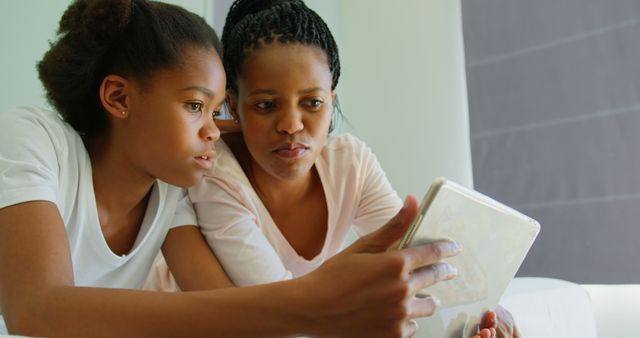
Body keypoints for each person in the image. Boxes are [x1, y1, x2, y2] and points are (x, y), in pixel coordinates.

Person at [0, 1, 465, 337]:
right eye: (197, 105)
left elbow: (230, 313)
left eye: (220, 110)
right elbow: (35, 309)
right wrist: (317, 300)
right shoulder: (34, 140)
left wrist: (334, 291)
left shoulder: (169, 193)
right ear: (119, 98)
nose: (215, 130)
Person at [144, 1, 517, 337]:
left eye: (312, 102)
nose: (291, 124)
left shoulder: (350, 162)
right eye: (265, 105)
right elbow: (283, 307)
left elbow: (409, 259)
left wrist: (477, 307)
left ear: (331, 101)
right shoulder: (218, 178)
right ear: (234, 107)